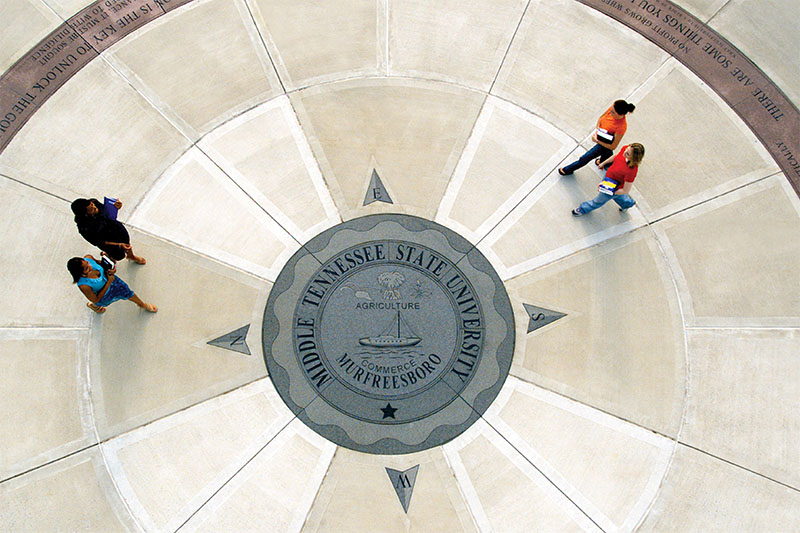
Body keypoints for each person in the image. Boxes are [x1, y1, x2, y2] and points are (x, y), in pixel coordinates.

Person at [558, 100, 635, 176]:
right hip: (601, 137)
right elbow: (601, 118)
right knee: (606, 153)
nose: (610, 112)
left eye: (613, 112)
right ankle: (607, 163)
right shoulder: (613, 109)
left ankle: (567, 170)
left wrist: (597, 141)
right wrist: (597, 130)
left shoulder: (621, 127)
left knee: (585, 158)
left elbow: (613, 146)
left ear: (620, 114)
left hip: (604, 144)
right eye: (611, 110)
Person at [572, 143, 645, 216]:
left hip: (614, 187)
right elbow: (615, 156)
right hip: (608, 177)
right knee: (619, 197)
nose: (625, 152)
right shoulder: (625, 149)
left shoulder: (631, 171)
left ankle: (583, 209)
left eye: (628, 154)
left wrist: (609, 191)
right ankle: (628, 203)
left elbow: (625, 190)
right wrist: (603, 163)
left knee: (598, 200)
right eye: (626, 149)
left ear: (634, 158)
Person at [67, 255, 157, 314]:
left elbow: (100, 263)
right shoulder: (84, 285)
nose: (90, 266)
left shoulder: (88, 258)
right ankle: (93, 306)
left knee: (128, 293)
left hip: (113, 281)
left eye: (87, 263)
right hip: (105, 294)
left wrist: (111, 268)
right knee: (99, 303)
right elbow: (95, 299)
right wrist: (109, 282)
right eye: (86, 268)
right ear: (80, 274)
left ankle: (142, 304)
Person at [71, 198, 146, 264]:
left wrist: (116, 206)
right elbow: (99, 242)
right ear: (85, 214)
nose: (94, 207)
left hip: (117, 229)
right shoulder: (84, 228)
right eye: (91, 209)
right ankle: (109, 255)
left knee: (127, 243)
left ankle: (131, 256)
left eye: (92, 204)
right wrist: (119, 245)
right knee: (119, 256)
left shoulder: (94, 202)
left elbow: (106, 210)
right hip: (108, 241)